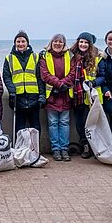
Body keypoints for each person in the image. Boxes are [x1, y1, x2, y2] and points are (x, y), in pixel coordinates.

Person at [39, 34, 75, 162]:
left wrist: (63, 84)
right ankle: (56, 149)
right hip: (51, 96)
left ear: (64, 44)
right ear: (51, 42)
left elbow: (72, 73)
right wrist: (59, 84)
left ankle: (64, 149)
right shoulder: (44, 56)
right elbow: (44, 74)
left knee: (64, 123)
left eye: (60, 42)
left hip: (65, 95)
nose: (58, 44)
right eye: (55, 41)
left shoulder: (70, 56)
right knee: (53, 124)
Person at [3, 31, 46, 135]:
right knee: (19, 125)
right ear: (15, 43)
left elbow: (40, 78)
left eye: (23, 41)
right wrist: (12, 91)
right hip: (18, 97)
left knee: (35, 125)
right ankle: (20, 148)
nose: (20, 44)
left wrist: (42, 95)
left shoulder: (35, 57)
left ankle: (35, 149)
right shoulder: (9, 58)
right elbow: (6, 77)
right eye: (18, 41)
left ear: (27, 43)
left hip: (33, 96)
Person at [70, 32, 104, 159]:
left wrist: (93, 83)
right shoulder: (72, 57)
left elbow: (103, 77)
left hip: (91, 96)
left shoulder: (97, 58)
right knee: (80, 123)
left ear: (90, 45)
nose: (83, 44)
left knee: (92, 124)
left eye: (86, 42)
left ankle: (94, 147)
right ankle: (84, 144)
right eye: (81, 42)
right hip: (77, 95)